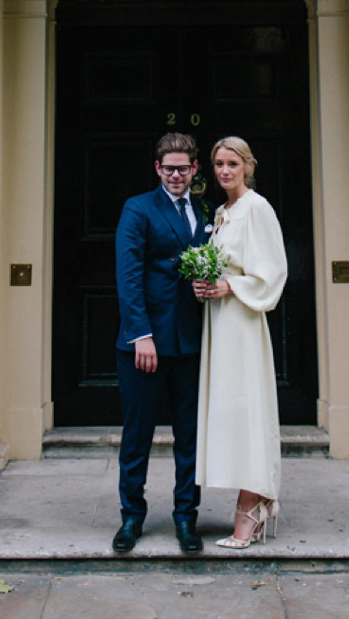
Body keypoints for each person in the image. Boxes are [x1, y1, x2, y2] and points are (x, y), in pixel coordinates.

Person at [112, 132, 209, 555]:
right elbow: (129, 274)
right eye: (168, 168)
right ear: (157, 168)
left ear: (194, 169)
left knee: (190, 436)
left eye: (183, 168)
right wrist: (141, 336)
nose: (175, 175)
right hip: (146, 345)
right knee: (138, 434)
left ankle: (187, 518)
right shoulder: (138, 208)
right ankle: (132, 516)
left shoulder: (205, 210)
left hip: (192, 341)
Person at [192, 136, 288, 548]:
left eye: (232, 163)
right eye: (218, 164)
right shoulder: (222, 212)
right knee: (228, 411)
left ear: (247, 166)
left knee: (247, 410)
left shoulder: (257, 208)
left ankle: (250, 510)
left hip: (244, 324)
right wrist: (205, 284)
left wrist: (229, 285)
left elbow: (273, 273)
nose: (224, 171)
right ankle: (252, 501)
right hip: (219, 324)